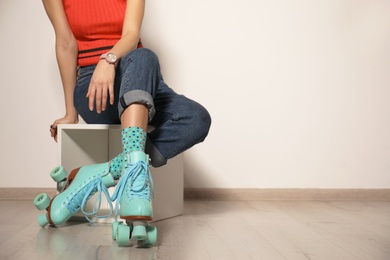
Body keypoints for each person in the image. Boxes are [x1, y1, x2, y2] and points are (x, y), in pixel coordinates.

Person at [36, 0, 211, 246]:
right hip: (94, 87)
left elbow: (131, 34)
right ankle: (134, 184)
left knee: (197, 119)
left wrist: (108, 60)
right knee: (144, 56)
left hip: (139, 73)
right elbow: (65, 44)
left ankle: (102, 172)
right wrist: (70, 112)